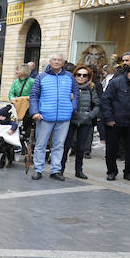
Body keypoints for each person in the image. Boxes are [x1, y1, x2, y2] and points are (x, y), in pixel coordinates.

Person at [28, 52, 78, 181]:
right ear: (50, 62)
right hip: (44, 116)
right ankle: (38, 169)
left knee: (59, 145)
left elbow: (76, 94)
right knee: (40, 144)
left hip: (64, 117)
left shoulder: (69, 76)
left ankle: (55, 170)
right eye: (54, 60)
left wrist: (72, 108)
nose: (56, 62)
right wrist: (35, 112)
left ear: (63, 62)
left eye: (59, 60)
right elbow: (34, 96)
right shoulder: (41, 77)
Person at [101, 61, 130, 181]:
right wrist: (109, 118)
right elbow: (105, 101)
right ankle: (111, 171)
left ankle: (129, 172)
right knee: (112, 149)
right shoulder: (116, 82)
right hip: (114, 121)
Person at [60, 67, 100, 180]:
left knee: (81, 147)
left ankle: (79, 170)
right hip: (70, 120)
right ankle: (60, 169)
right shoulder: (69, 87)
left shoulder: (91, 88)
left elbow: (97, 105)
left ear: (88, 77)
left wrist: (90, 115)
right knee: (66, 146)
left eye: (84, 75)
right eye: (78, 74)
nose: (81, 77)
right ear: (74, 75)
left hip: (85, 121)